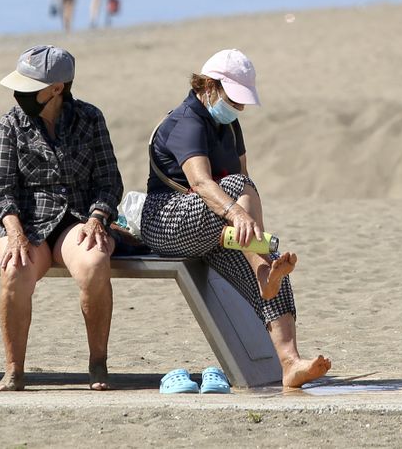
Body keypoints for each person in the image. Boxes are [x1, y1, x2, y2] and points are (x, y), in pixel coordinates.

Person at [138, 49, 332, 389]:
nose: (238, 109)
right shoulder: (187, 121)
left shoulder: (229, 126)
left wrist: (240, 219)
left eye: (242, 103)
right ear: (210, 86)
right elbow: (200, 182)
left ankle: (291, 363)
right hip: (168, 219)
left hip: (213, 228)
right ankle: (262, 273)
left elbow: (246, 180)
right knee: (236, 191)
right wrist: (237, 213)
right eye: (234, 100)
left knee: (274, 267)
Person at [0, 45, 123, 392]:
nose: (20, 93)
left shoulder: (90, 119)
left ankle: (98, 363)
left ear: (57, 88)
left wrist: (97, 218)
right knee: (14, 269)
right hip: (25, 222)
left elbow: (109, 182)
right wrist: (15, 232)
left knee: (94, 262)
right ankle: (14, 370)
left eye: (29, 86)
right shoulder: (11, 123)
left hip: (76, 218)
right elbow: (2, 191)